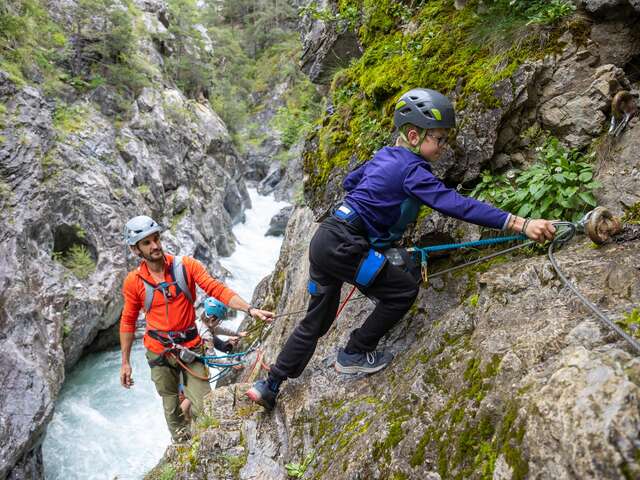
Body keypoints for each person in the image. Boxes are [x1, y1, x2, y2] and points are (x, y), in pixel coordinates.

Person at [246, 87, 557, 410]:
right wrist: (519, 224)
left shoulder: (384, 156)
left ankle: (270, 385)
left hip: (326, 239)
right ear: (413, 134)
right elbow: (456, 205)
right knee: (403, 291)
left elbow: (350, 182)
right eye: (439, 138)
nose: (443, 146)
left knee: (316, 321)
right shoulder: (412, 170)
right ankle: (354, 352)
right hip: (347, 247)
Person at [119, 216, 274, 442]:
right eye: (147, 243)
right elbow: (128, 321)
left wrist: (250, 310)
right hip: (159, 351)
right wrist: (125, 362)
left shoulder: (185, 267)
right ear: (136, 250)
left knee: (205, 405)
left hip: (191, 347)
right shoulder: (134, 282)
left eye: (156, 239)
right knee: (170, 403)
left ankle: (202, 438)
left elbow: (215, 288)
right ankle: (181, 443)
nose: (155, 246)